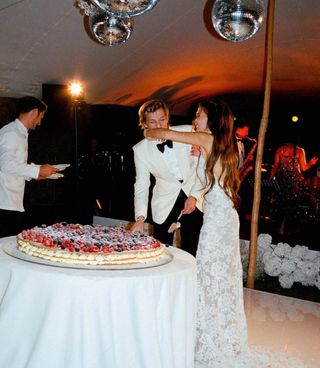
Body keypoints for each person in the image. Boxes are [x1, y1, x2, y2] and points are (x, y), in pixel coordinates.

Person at [144, 99, 307, 368]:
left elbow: (165, 133)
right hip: (219, 217)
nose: (195, 120)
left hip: (219, 220)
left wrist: (149, 129)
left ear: (213, 119)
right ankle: (212, 334)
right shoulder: (218, 142)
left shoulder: (206, 138)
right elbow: (206, 179)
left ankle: (211, 339)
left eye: (199, 116)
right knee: (214, 276)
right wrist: (196, 158)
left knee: (211, 274)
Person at [130, 99, 203, 256]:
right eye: (153, 121)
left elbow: (202, 167)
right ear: (144, 124)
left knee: (192, 249)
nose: (159, 126)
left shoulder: (190, 131)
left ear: (168, 118)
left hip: (194, 195)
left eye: (162, 119)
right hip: (164, 203)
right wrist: (140, 218)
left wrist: (194, 196)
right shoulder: (140, 150)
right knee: (161, 250)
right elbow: (142, 183)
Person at [0, 96, 59, 237]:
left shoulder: (18, 133)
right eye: (41, 117)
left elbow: (15, 166)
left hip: (10, 202)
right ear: (34, 112)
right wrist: (37, 170)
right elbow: (5, 165)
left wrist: (35, 174)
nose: (39, 122)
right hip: (5, 202)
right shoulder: (12, 133)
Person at [269, 136, 318, 236]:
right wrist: (311, 163)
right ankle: (287, 233)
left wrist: (270, 180)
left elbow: (275, 167)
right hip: (294, 185)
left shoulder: (280, 150)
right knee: (291, 210)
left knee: (280, 208)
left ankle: (278, 232)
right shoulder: (300, 151)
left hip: (281, 183)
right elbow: (304, 168)